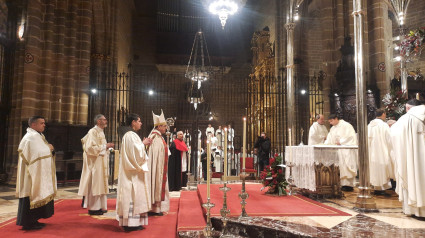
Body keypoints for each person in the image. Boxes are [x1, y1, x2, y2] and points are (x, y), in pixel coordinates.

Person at [16, 116, 56, 230]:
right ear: (33, 125)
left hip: (37, 172)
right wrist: (49, 148)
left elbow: (42, 150)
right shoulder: (29, 138)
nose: (44, 125)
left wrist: (50, 149)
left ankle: (34, 220)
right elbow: (34, 154)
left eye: (44, 123)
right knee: (30, 195)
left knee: (37, 194)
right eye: (41, 123)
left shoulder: (39, 136)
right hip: (30, 175)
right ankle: (28, 222)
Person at [116, 113, 152, 231]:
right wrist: (144, 144)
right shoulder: (130, 135)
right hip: (131, 174)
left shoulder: (130, 135)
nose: (141, 123)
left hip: (132, 172)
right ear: (133, 122)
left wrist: (142, 145)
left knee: (134, 196)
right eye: (139, 121)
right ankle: (130, 224)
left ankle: (134, 223)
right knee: (132, 195)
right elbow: (134, 153)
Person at [391, 104, 425, 217]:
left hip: (412, 160)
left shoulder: (404, 119)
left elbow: (393, 137)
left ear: (408, 107)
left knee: (413, 176)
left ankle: (415, 210)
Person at [78, 114, 114, 215]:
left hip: (100, 162)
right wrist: (105, 146)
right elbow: (89, 148)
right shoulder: (92, 132)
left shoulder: (101, 132)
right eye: (104, 119)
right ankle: (94, 208)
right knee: (96, 185)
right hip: (95, 164)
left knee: (101, 185)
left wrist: (107, 148)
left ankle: (101, 206)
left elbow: (100, 147)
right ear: (98, 121)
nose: (106, 121)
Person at [324, 114, 358, 191]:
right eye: (329, 122)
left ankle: (349, 185)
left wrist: (341, 141)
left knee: (346, 166)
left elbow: (351, 136)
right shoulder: (333, 128)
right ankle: (342, 184)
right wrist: (326, 143)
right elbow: (330, 138)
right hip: (338, 150)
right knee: (340, 168)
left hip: (346, 149)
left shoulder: (346, 125)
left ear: (336, 119)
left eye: (331, 121)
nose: (330, 123)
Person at [147, 110, 169, 216]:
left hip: (159, 167)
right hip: (156, 168)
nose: (166, 128)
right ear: (159, 126)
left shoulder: (157, 136)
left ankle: (156, 208)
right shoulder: (155, 137)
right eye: (164, 126)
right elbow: (154, 156)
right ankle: (153, 208)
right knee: (155, 183)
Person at [368, 109, 394, 195]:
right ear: (383, 114)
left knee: (375, 168)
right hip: (382, 150)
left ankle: (376, 188)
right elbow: (389, 139)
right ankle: (381, 188)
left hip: (372, 151)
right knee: (383, 168)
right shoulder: (383, 125)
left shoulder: (370, 125)